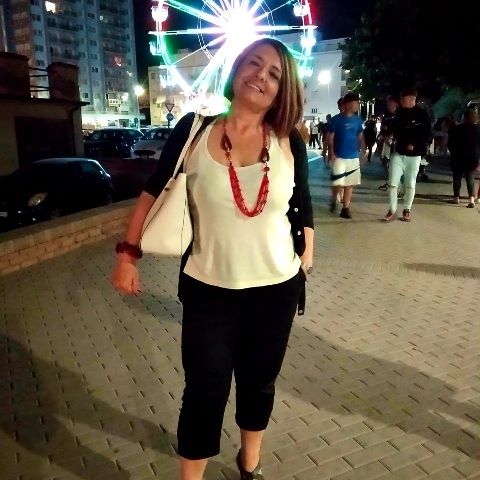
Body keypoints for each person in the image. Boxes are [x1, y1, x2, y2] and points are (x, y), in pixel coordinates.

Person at [111, 37, 314, 480]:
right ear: (237, 68)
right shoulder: (195, 130)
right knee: (204, 390)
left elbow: (301, 205)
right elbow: (153, 190)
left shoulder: (288, 140)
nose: (261, 76)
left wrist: (306, 260)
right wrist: (128, 255)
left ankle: (249, 463)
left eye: (274, 74)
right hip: (209, 289)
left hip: (276, 290)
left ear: (283, 90)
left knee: (259, 383)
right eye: (254, 64)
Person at [384, 88, 432, 222]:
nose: (401, 101)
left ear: (412, 99)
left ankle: (407, 209)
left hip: (414, 156)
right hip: (398, 154)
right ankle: (392, 209)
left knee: (410, 183)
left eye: (403, 99)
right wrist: (386, 135)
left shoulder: (422, 115)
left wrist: (415, 144)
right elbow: (393, 128)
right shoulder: (399, 112)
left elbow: (427, 135)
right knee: (393, 183)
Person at [327, 92, 366, 219]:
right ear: (348, 104)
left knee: (350, 183)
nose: (357, 106)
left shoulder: (357, 120)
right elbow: (330, 137)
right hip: (339, 156)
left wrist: (363, 150)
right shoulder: (336, 120)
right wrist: (331, 152)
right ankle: (334, 198)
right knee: (338, 182)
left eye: (358, 103)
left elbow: (360, 136)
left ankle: (345, 208)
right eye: (355, 103)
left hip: (353, 156)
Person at [447, 109, 480, 208]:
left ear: (464, 117)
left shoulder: (456, 129)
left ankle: (456, 198)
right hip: (472, 157)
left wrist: (453, 152)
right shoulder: (478, 129)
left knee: (457, 177)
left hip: (457, 156)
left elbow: (450, 143)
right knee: (470, 178)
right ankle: (471, 200)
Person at [377, 95, 398, 190]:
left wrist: (390, 137)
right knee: (384, 161)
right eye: (387, 103)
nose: (388, 104)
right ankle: (389, 181)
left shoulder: (398, 116)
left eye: (390, 102)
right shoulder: (386, 115)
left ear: (396, 104)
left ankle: (394, 183)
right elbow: (383, 128)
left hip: (393, 141)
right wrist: (381, 136)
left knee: (392, 162)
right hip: (385, 141)